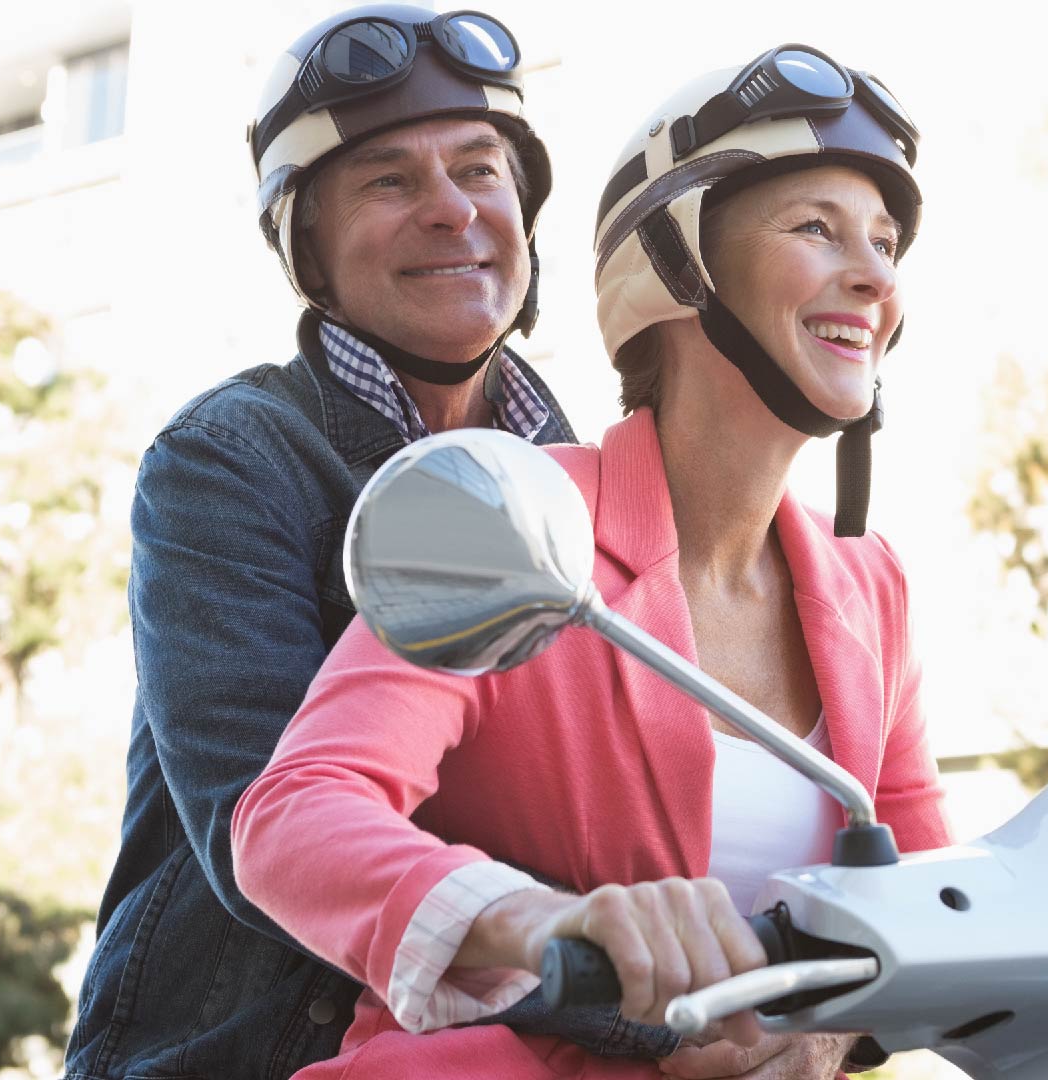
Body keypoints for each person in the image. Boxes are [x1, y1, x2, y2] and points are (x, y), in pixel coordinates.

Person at [232, 44, 948, 1079]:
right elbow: (292, 815)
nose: (876, 275)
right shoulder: (514, 516)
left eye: (885, 243)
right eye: (815, 229)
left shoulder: (872, 587)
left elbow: (936, 905)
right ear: (679, 264)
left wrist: (827, 1036)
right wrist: (544, 924)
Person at [64, 8, 663, 1078]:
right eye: (389, 183)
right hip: (245, 1052)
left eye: (479, 170)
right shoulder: (230, 460)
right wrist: (649, 1003)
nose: (452, 212)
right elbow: (270, 843)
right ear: (311, 249)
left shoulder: (585, 486)